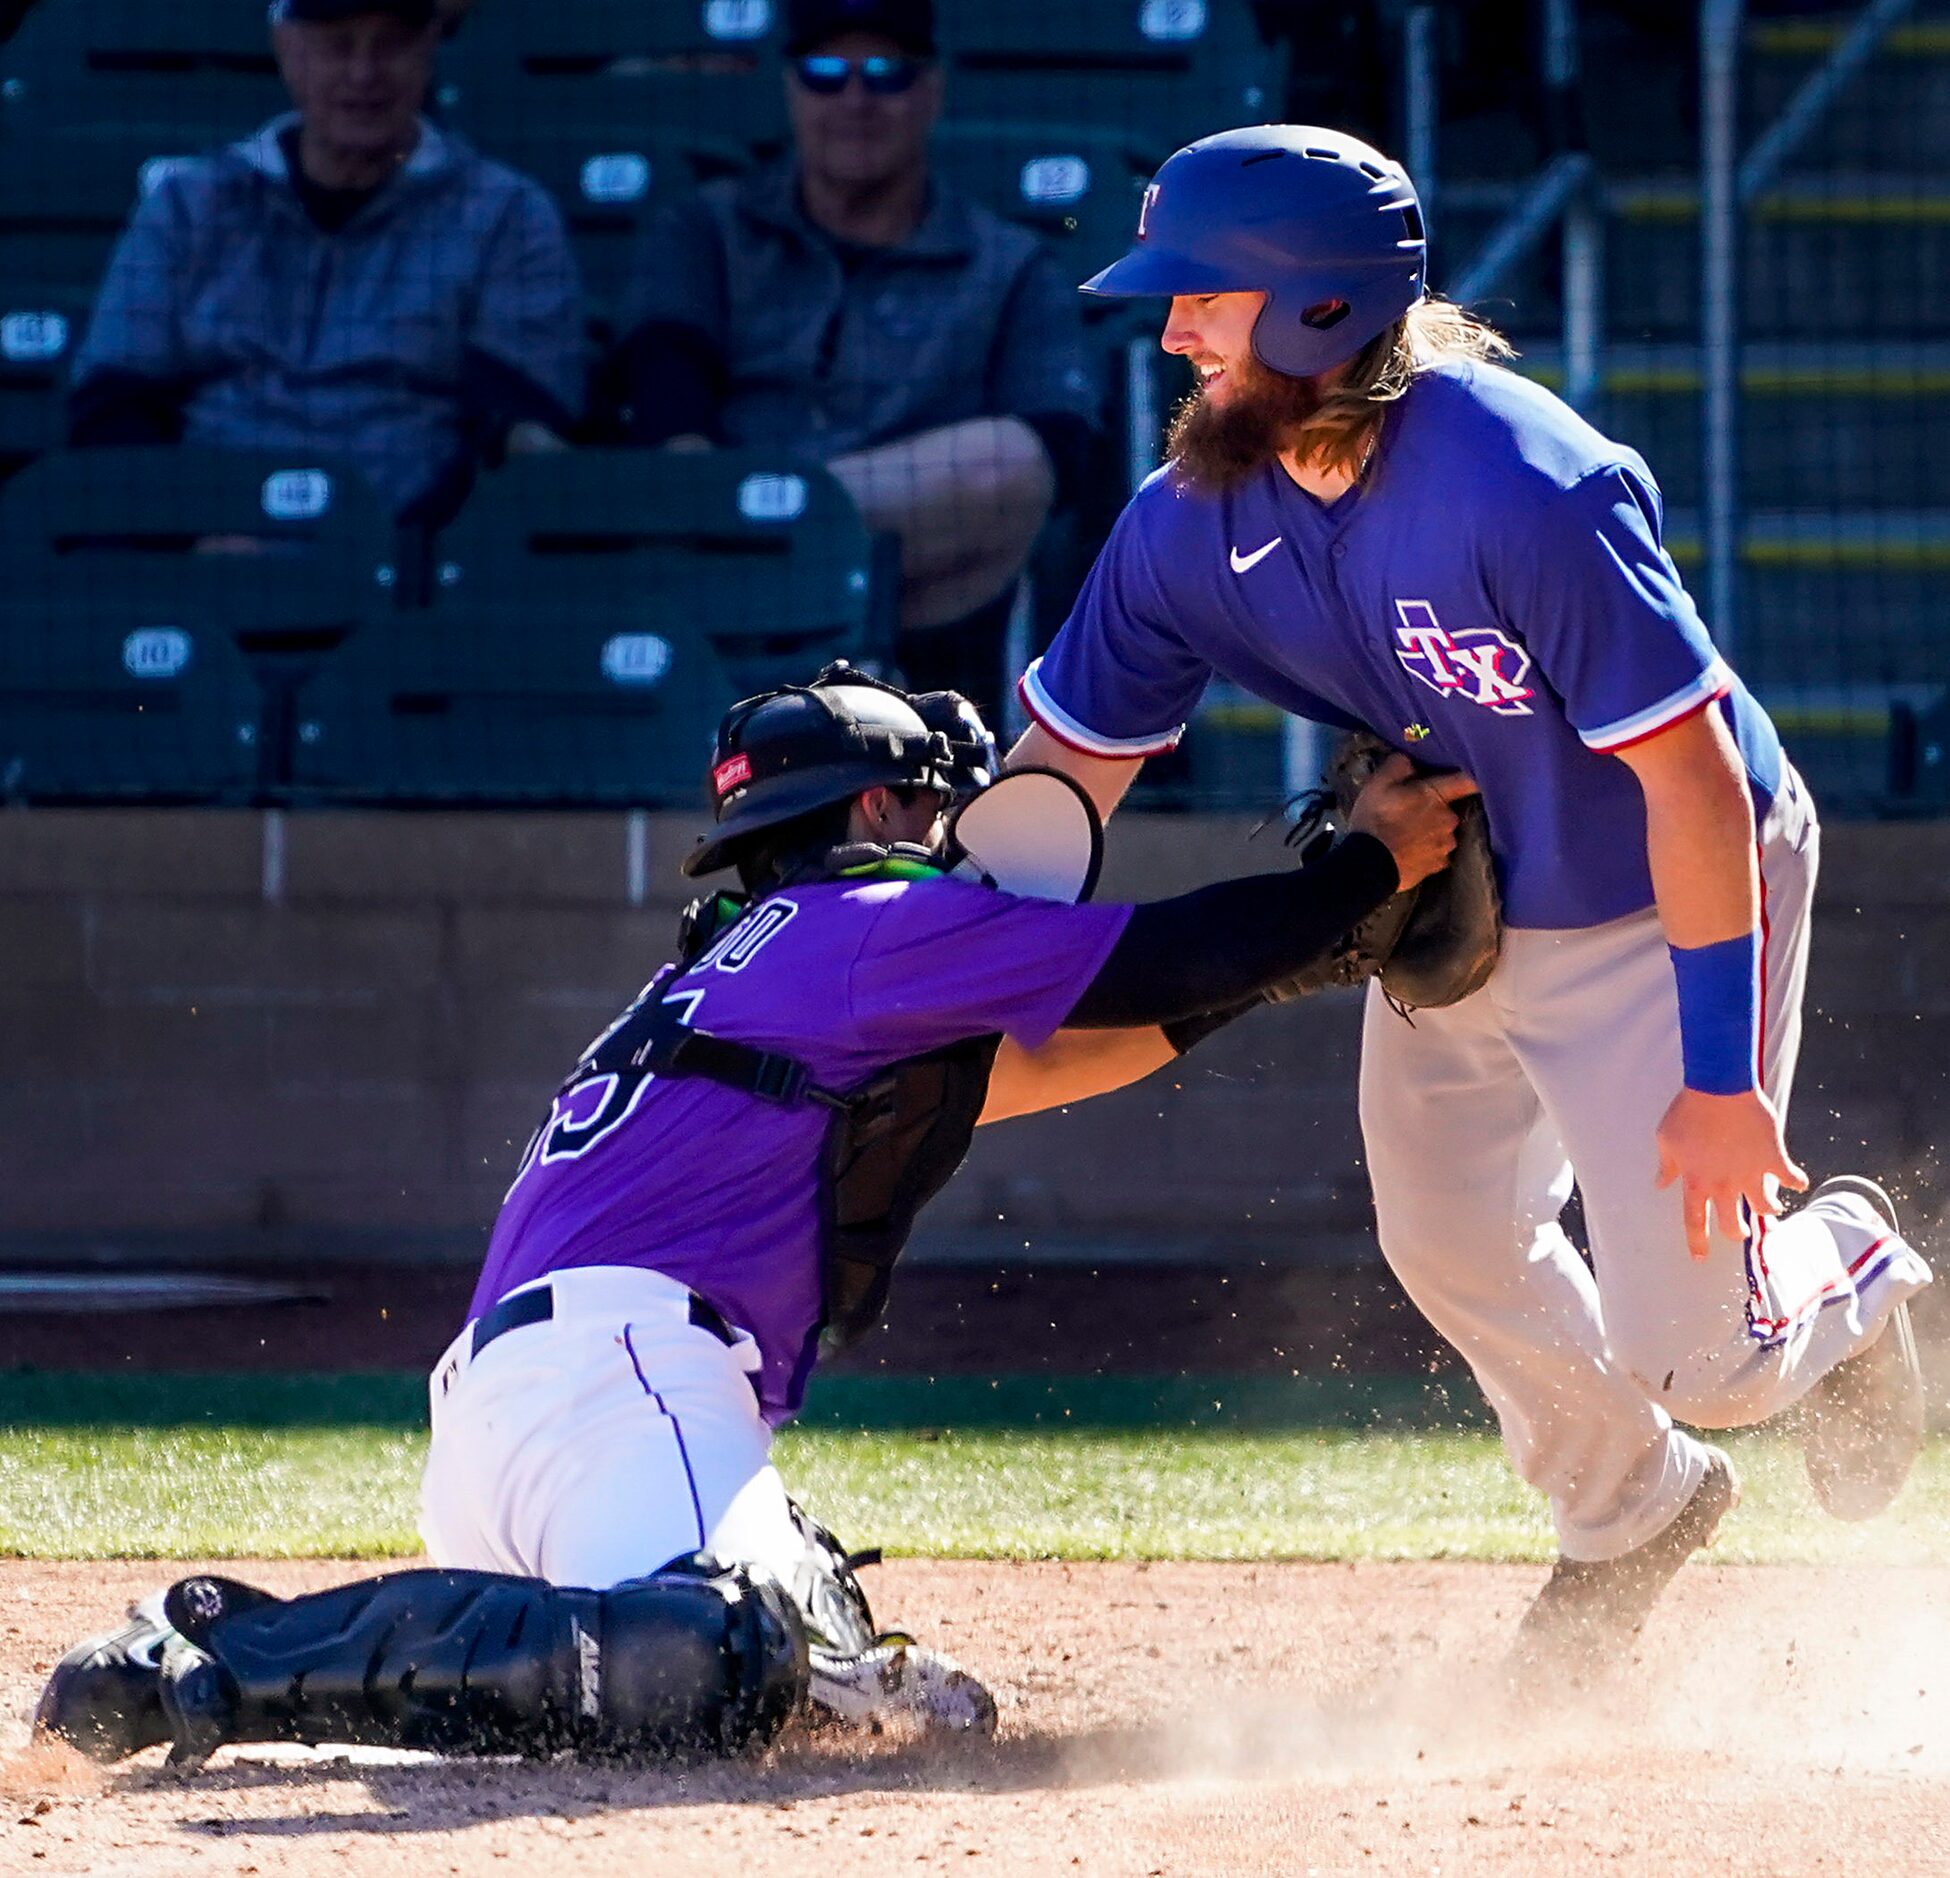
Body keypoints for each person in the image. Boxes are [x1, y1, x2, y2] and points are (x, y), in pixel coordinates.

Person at [35, 666, 1470, 1768]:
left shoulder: (748, 965)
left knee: (738, 1685)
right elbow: (1157, 953)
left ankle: (343, 1676)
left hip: (528, 1416)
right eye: (925, 802)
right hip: (622, 1384)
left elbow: (1081, 1041)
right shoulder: (869, 921)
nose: (946, 832)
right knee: (709, 1661)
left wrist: (1312, 950)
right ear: (866, 812)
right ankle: (221, 1646)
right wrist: (1361, 868)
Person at [1007, 124, 1934, 1670]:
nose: (1167, 328)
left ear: (1316, 310)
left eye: (1201, 296)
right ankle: (1629, 1506)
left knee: (1700, 1351)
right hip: (1467, 897)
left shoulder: (1521, 479)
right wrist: (918, 947)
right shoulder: (1186, 517)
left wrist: (1718, 1086)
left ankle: (1842, 1260)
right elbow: (1067, 766)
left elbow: (1696, 785)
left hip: (1668, 888)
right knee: (1445, 1235)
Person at [610, 0, 1102, 713]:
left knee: (1011, 463)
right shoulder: (707, 227)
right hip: (736, 553)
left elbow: (1056, 451)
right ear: (788, 87)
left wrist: (780, 520)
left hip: (917, 579)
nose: (855, 99)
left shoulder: (1009, 263)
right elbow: (666, 413)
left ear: (932, 89)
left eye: (886, 74)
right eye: (824, 74)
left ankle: (782, 572)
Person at [67, 0, 583, 525]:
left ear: (429, 48)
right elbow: (112, 407)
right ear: (286, 49)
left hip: (413, 555)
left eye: (391, 45)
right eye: (337, 47)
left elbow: (516, 421)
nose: (363, 74)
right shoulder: (189, 204)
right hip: (209, 546)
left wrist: (399, 555)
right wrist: (193, 535)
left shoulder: (507, 212)